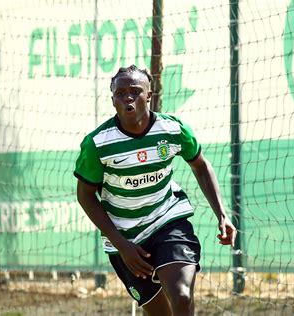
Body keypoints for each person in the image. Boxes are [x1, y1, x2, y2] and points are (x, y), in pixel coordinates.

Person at [74, 65, 236, 316]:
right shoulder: (98, 144)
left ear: (149, 95)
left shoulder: (172, 130)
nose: (128, 97)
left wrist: (222, 215)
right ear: (113, 100)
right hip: (126, 238)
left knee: (181, 297)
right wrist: (121, 244)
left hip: (167, 222)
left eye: (136, 91)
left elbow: (201, 165)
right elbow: (85, 195)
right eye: (121, 93)